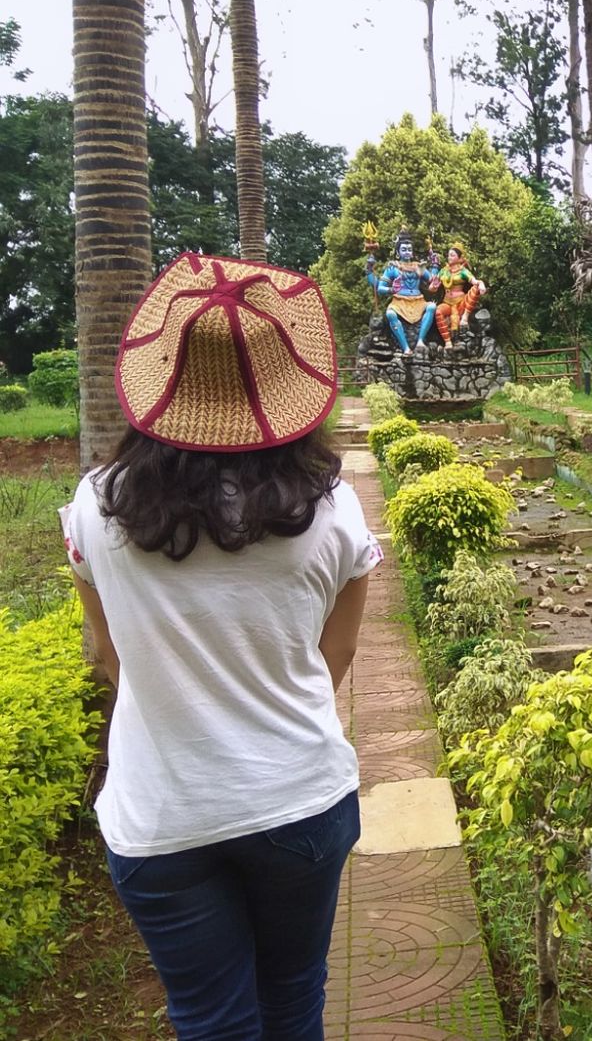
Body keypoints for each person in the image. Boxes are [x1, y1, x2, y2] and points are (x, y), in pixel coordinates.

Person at [60, 252, 383, 1040]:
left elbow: (108, 658)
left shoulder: (94, 508)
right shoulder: (332, 510)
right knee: (294, 999)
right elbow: (333, 661)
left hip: (161, 814)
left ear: (162, 375)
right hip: (299, 799)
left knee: (210, 1019)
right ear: (282, 383)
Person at [365, 230, 439, 356]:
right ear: (398, 252)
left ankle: (420, 340)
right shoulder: (393, 268)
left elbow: (432, 278)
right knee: (390, 314)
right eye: (404, 249)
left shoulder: (418, 267)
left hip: (418, 300)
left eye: (409, 249)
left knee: (432, 306)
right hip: (399, 300)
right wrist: (391, 290)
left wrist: (435, 264)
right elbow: (380, 288)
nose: (407, 252)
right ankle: (405, 347)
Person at [434, 244, 486, 349]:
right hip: (447, 302)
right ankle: (448, 341)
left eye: (452, 255)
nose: (449, 257)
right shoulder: (443, 271)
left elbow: (474, 281)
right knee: (438, 312)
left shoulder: (463, 271)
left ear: (459, 258)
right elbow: (433, 287)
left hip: (460, 303)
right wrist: (433, 286)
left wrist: (481, 284)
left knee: (475, 288)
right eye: (449, 255)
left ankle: (465, 318)